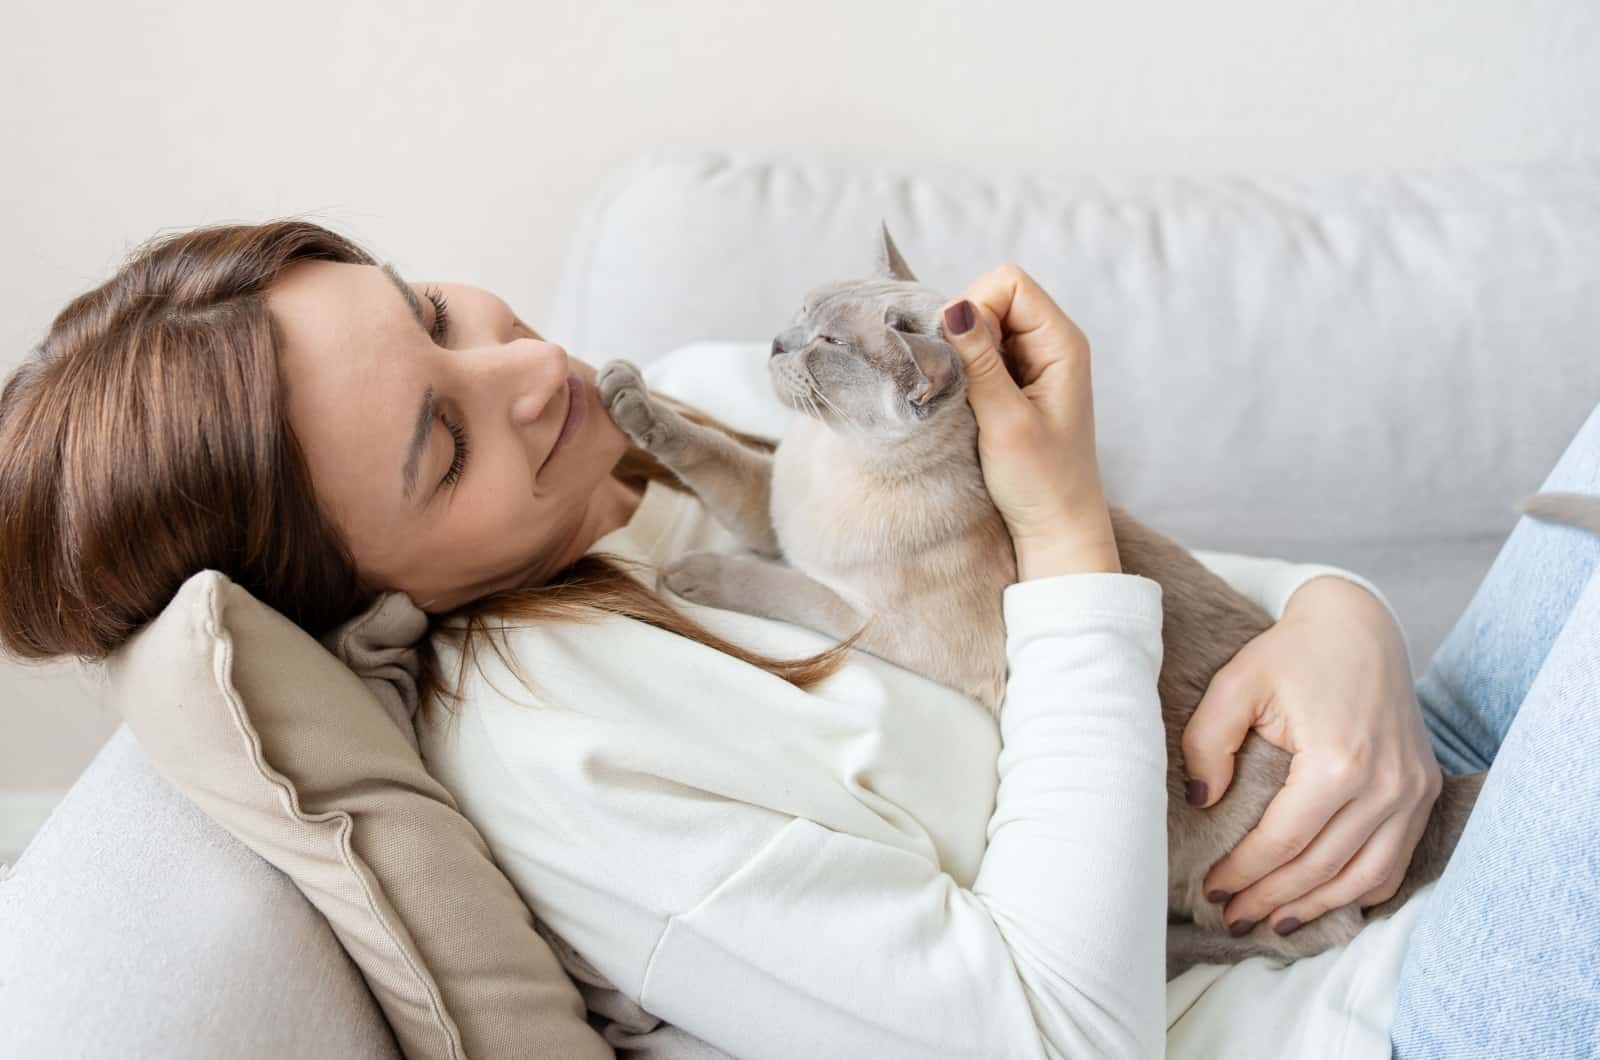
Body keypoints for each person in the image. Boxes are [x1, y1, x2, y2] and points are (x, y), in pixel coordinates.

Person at [0, 219, 1587, 1057]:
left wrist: (1344, 621)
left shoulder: (679, 420)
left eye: (431, 310)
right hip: (1375, 1007)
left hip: (1412, 780)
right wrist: (1059, 527)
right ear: (376, 600)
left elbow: (1223, 595)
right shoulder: (563, 747)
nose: (528, 369)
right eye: (442, 444)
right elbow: (1056, 1035)